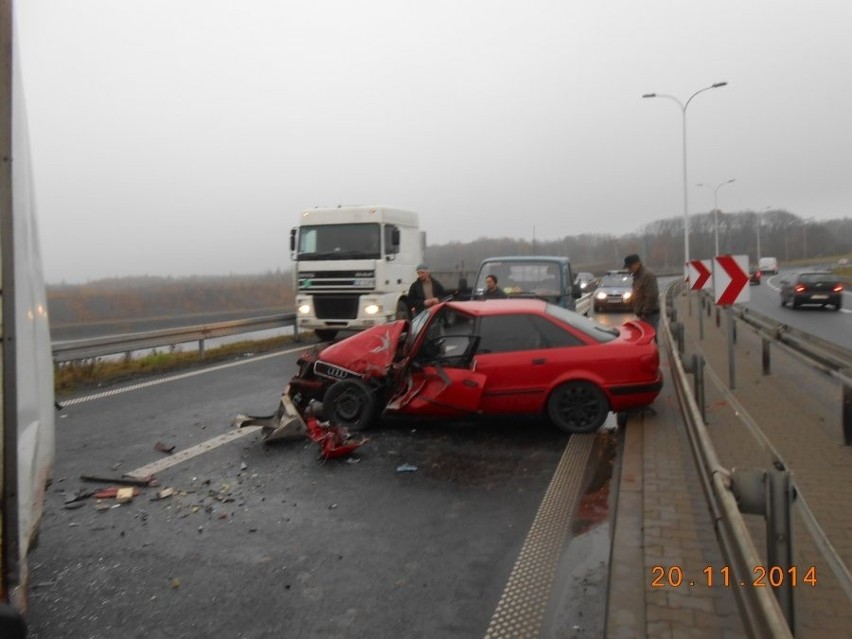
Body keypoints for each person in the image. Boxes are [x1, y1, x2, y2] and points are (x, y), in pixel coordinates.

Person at [624, 254, 660, 337]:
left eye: (630, 267)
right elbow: (638, 293)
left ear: (637, 264)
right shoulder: (637, 275)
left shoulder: (647, 275)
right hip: (644, 314)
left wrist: (645, 312)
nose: (629, 270)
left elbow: (652, 295)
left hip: (650, 314)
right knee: (647, 337)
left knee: (650, 338)